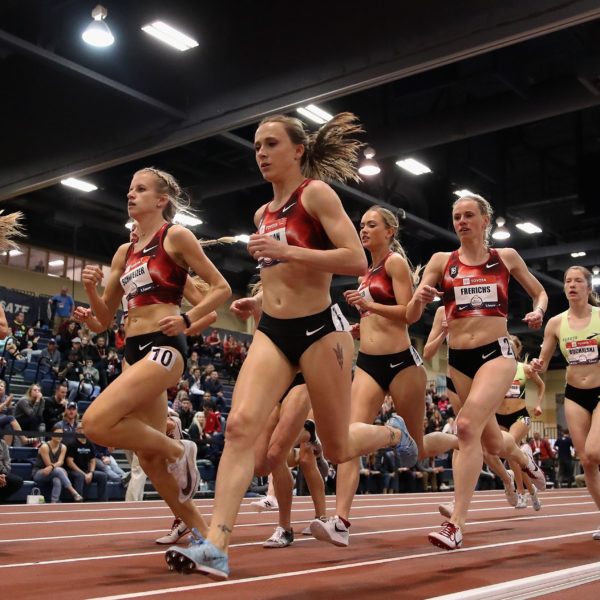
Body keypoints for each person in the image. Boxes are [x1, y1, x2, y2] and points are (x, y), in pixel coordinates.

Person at [165, 113, 415, 579]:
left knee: (337, 447)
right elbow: (282, 276)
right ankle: (217, 543)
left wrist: (287, 252)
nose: (260, 152)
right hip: (274, 331)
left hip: (322, 331)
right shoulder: (262, 213)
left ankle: (393, 434)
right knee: (240, 427)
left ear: (298, 150)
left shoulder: (315, 195)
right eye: (256, 145)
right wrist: (257, 298)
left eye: (271, 143)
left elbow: (356, 259)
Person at [74, 167, 230, 543]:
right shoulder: (124, 253)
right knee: (149, 460)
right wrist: (91, 291)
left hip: (163, 346)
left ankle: (179, 447)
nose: (130, 195)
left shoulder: (174, 236)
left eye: (140, 190)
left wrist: (187, 318)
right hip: (131, 348)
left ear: (161, 200)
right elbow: (104, 321)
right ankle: (208, 543)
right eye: (129, 189)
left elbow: (220, 288)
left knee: (95, 423)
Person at [406, 192, 547, 550]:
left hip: (495, 355)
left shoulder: (505, 258)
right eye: (457, 216)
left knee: (465, 429)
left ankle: (456, 524)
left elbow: (539, 291)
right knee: (492, 442)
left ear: (485, 220)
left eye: (469, 215)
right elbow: (414, 307)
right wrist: (420, 296)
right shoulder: (442, 260)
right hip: (459, 361)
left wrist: (538, 311)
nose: (462, 222)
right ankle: (522, 456)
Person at [310, 205, 425, 546]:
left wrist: (370, 306)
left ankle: (461, 440)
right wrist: (364, 326)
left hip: (402, 362)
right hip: (370, 363)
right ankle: (340, 521)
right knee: (348, 441)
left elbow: (407, 314)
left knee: (422, 448)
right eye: (361, 225)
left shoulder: (394, 263)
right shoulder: (366, 271)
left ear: (389, 231)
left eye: (371, 225)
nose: (363, 230)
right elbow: (380, 316)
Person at [531, 266, 600, 537]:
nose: (572, 285)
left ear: (588, 287)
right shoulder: (556, 323)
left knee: (595, 451)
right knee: (587, 460)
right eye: (568, 281)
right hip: (574, 393)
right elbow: (544, 361)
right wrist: (537, 364)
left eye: (578, 281)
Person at [495, 335, 545, 510]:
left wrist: (538, 404)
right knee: (506, 453)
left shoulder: (524, 369)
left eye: (512, 345)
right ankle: (531, 490)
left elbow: (541, 386)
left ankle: (521, 494)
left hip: (519, 416)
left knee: (509, 447)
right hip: (499, 417)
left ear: (517, 350)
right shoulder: (494, 369)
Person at [33, 425, 82, 502]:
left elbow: (61, 462)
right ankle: (73, 491)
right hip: (40, 473)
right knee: (59, 470)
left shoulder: (63, 447)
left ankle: (54, 502)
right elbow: (49, 466)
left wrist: (57, 467)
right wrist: (60, 469)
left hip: (54, 472)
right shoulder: (45, 447)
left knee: (57, 480)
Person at [65, 424, 108, 501]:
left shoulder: (90, 443)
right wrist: (84, 474)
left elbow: (93, 460)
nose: (83, 430)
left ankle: (103, 501)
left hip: (86, 471)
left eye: (85, 428)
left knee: (103, 476)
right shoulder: (72, 444)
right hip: (73, 471)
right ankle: (79, 501)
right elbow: (70, 462)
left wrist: (91, 472)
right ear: (77, 430)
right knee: (80, 476)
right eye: (81, 428)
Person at [0, 437, 23, 502]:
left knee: (17, 481)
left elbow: (7, 461)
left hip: (2, 471)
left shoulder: (2, 443)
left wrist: (4, 474)